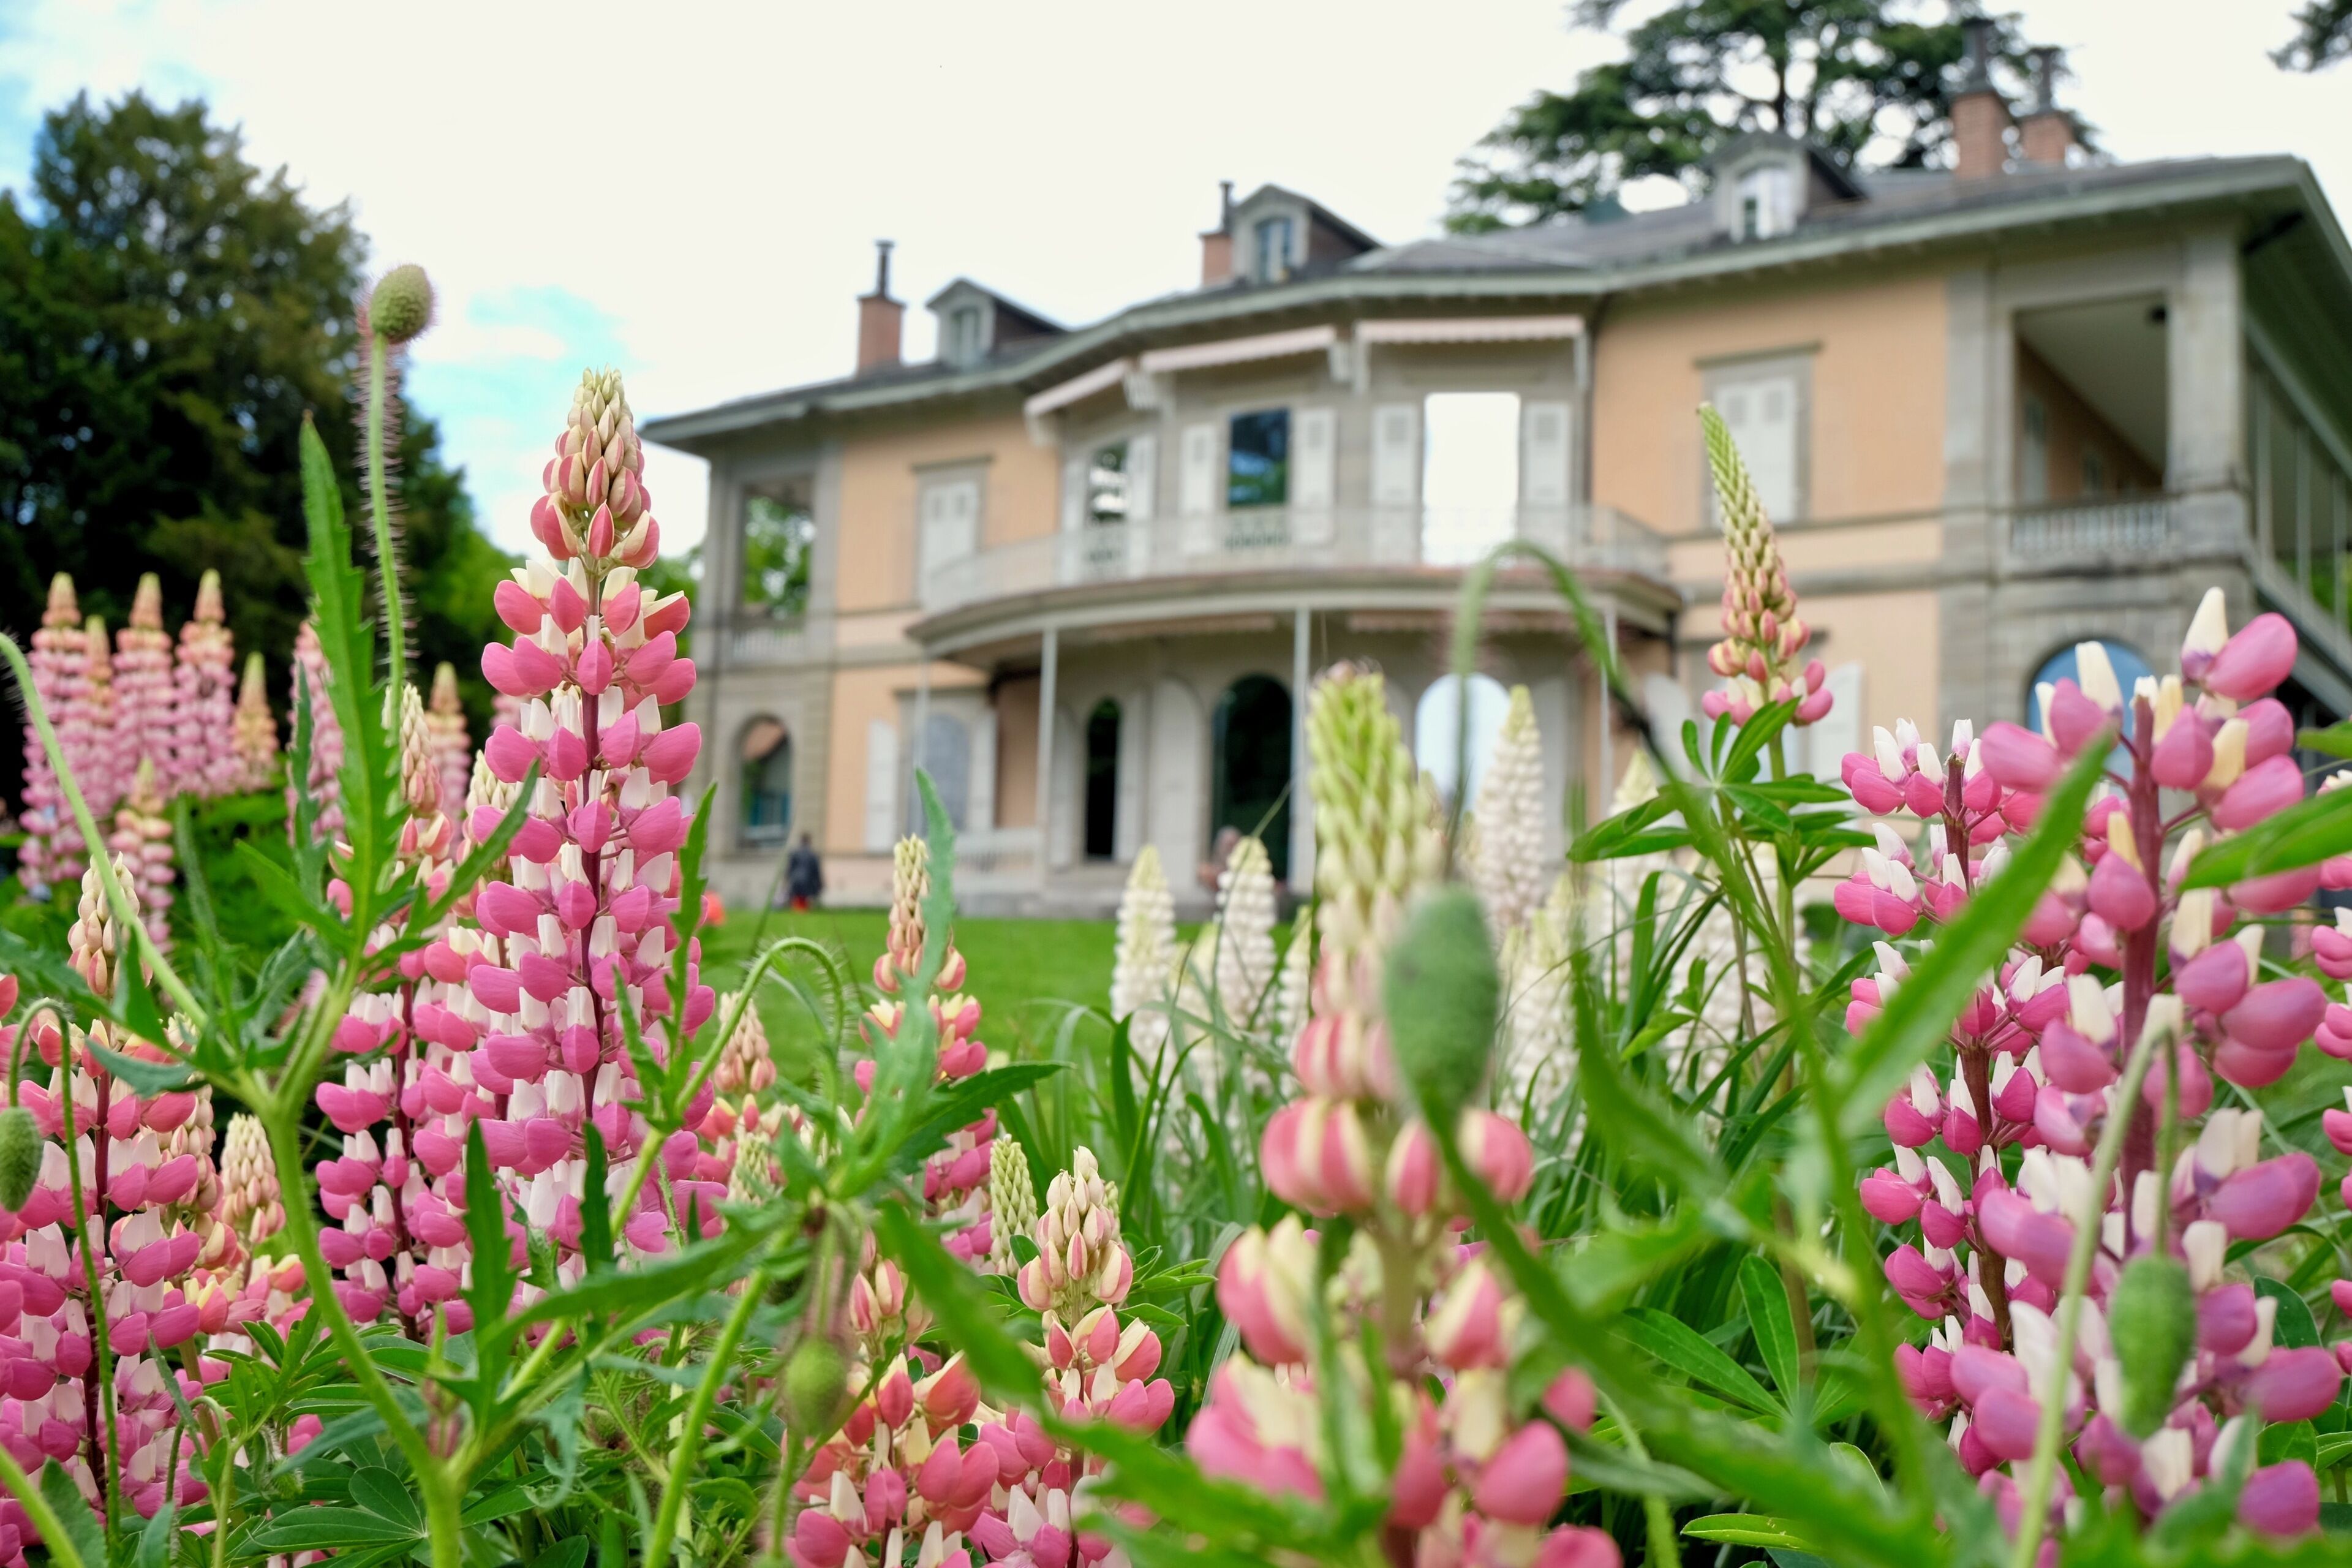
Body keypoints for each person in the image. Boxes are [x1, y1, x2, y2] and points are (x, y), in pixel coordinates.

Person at [785, 831, 824, 912]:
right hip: (808, 881)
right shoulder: (813, 854)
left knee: (797, 899)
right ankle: (802, 912)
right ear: (809, 841)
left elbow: (790, 868)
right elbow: (816, 871)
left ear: (801, 841)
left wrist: (786, 879)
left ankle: (798, 912)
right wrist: (820, 883)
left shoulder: (794, 853)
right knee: (804, 900)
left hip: (795, 880)